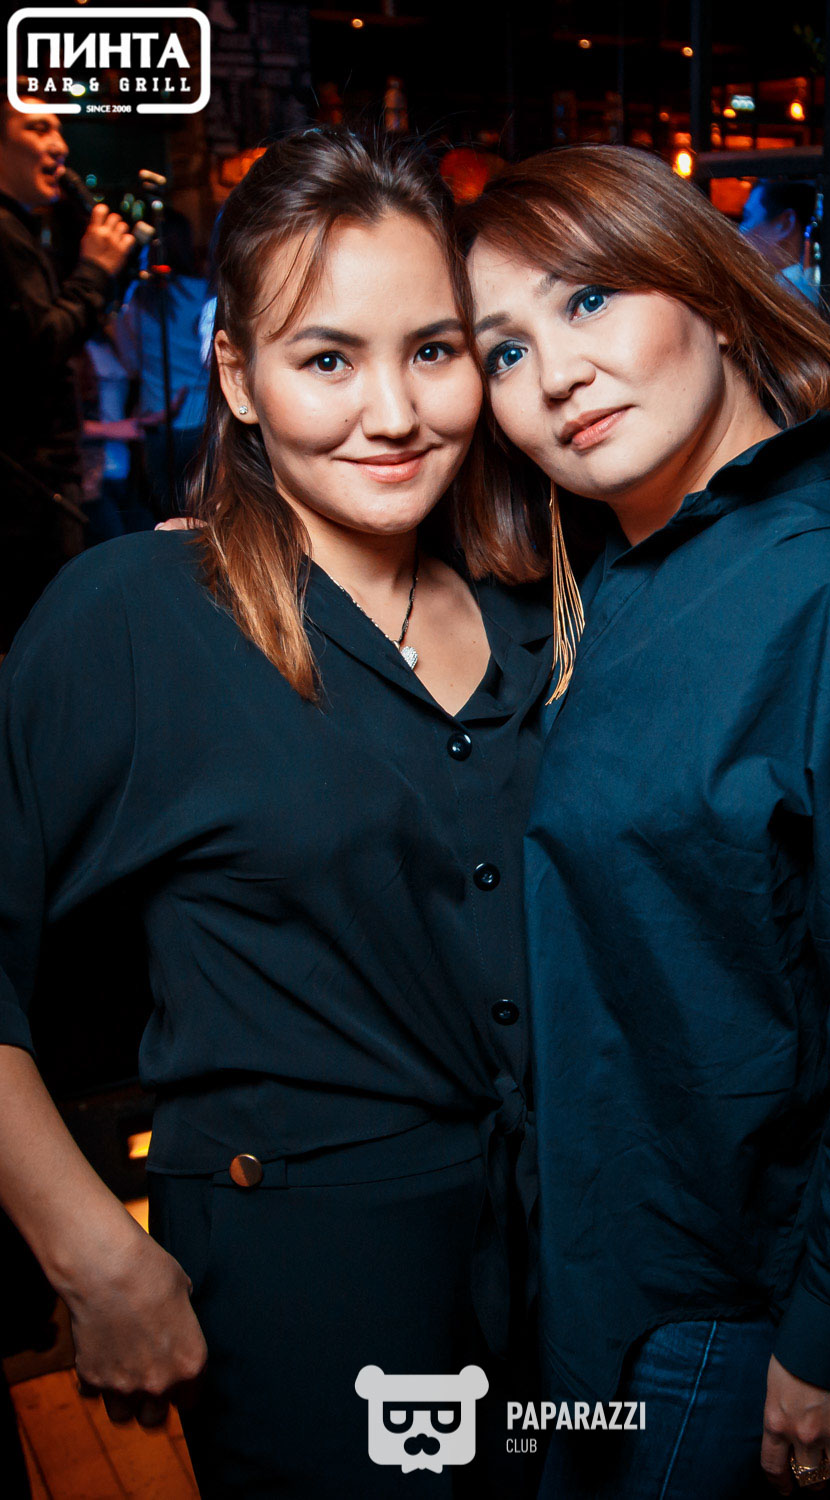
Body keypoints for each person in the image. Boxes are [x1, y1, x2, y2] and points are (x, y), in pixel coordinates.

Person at [0, 129, 553, 1498]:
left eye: (433, 351)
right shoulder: (138, 618)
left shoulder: (535, 606)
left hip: (553, 1264)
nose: (394, 412)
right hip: (307, 1280)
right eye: (327, 360)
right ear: (239, 376)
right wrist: (90, 1250)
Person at [460, 145, 830, 1498]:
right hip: (594, 1262)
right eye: (505, 349)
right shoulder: (627, 568)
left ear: (706, 289)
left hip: (717, 1310)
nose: (555, 374)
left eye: (588, 299)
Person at [0, 84, 134, 652]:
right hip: (24, 501)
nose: (60, 145)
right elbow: (36, 349)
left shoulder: (21, 230)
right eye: (38, 128)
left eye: (59, 129)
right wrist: (95, 271)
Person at [115, 208, 211, 517]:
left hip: (157, 419)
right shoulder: (205, 294)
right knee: (205, 512)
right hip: (203, 418)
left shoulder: (137, 300)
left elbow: (130, 362)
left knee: (167, 515)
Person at [740, 179, 823, 307]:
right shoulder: (805, 290)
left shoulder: (786, 299)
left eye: (747, 217)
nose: (740, 233)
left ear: (785, 224)